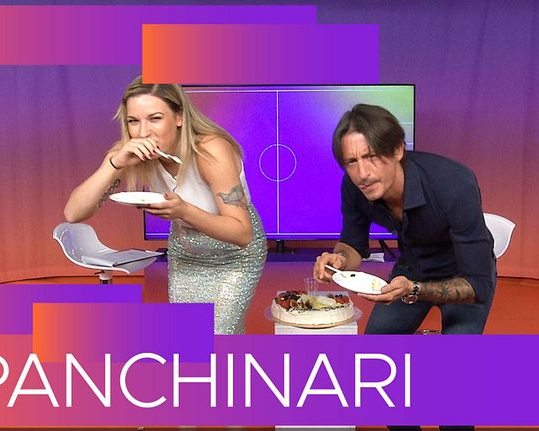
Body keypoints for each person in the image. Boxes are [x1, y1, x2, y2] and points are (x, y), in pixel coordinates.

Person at [312, 104, 496, 431]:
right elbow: (353, 245)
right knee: (376, 364)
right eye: (351, 162)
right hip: (413, 267)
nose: (362, 173)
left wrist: (414, 290)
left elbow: (478, 285)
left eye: (371, 157)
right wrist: (338, 261)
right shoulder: (355, 188)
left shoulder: (454, 183)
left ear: (397, 150)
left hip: (464, 275)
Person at [64, 78, 267, 334]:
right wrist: (113, 164)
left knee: (218, 334)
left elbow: (242, 233)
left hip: (235, 256)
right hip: (186, 252)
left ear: (179, 117)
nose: (143, 132)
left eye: (155, 118)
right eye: (133, 121)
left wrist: (185, 211)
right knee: (189, 337)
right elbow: (73, 213)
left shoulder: (210, 150)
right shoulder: (129, 153)